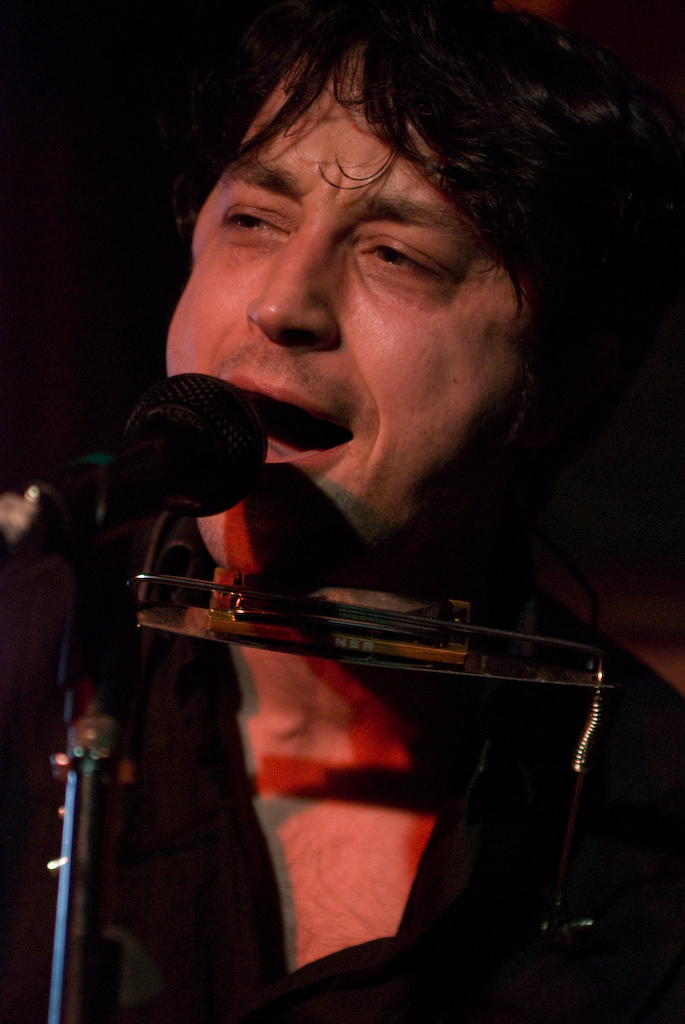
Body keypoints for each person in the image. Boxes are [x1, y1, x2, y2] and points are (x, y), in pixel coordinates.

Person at [4, 0, 685, 1021]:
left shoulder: (653, 830)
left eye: (395, 255)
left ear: (561, 386)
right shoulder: (23, 651)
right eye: (254, 220)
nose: (282, 304)